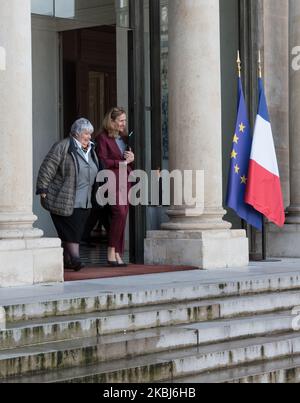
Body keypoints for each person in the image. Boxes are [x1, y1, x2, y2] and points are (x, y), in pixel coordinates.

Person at [36, 118, 101, 272]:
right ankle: (76, 259)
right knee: (72, 231)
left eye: (90, 134)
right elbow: (48, 166)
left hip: (85, 200)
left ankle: (67, 260)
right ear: (76, 133)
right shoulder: (63, 146)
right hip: (65, 198)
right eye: (86, 133)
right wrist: (42, 188)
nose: (89, 137)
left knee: (74, 231)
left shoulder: (91, 149)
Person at [96, 107, 135, 267]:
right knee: (118, 213)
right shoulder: (102, 138)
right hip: (111, 180)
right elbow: (102, 161)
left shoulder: (124, 138)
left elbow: (127, 159)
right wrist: (122, 163)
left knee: (123, 214)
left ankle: (118, 252)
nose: (123, 124)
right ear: (111, 122)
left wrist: (131, 158)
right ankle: (111, 251)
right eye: (121, 121)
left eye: (124, 120)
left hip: (125, 179)